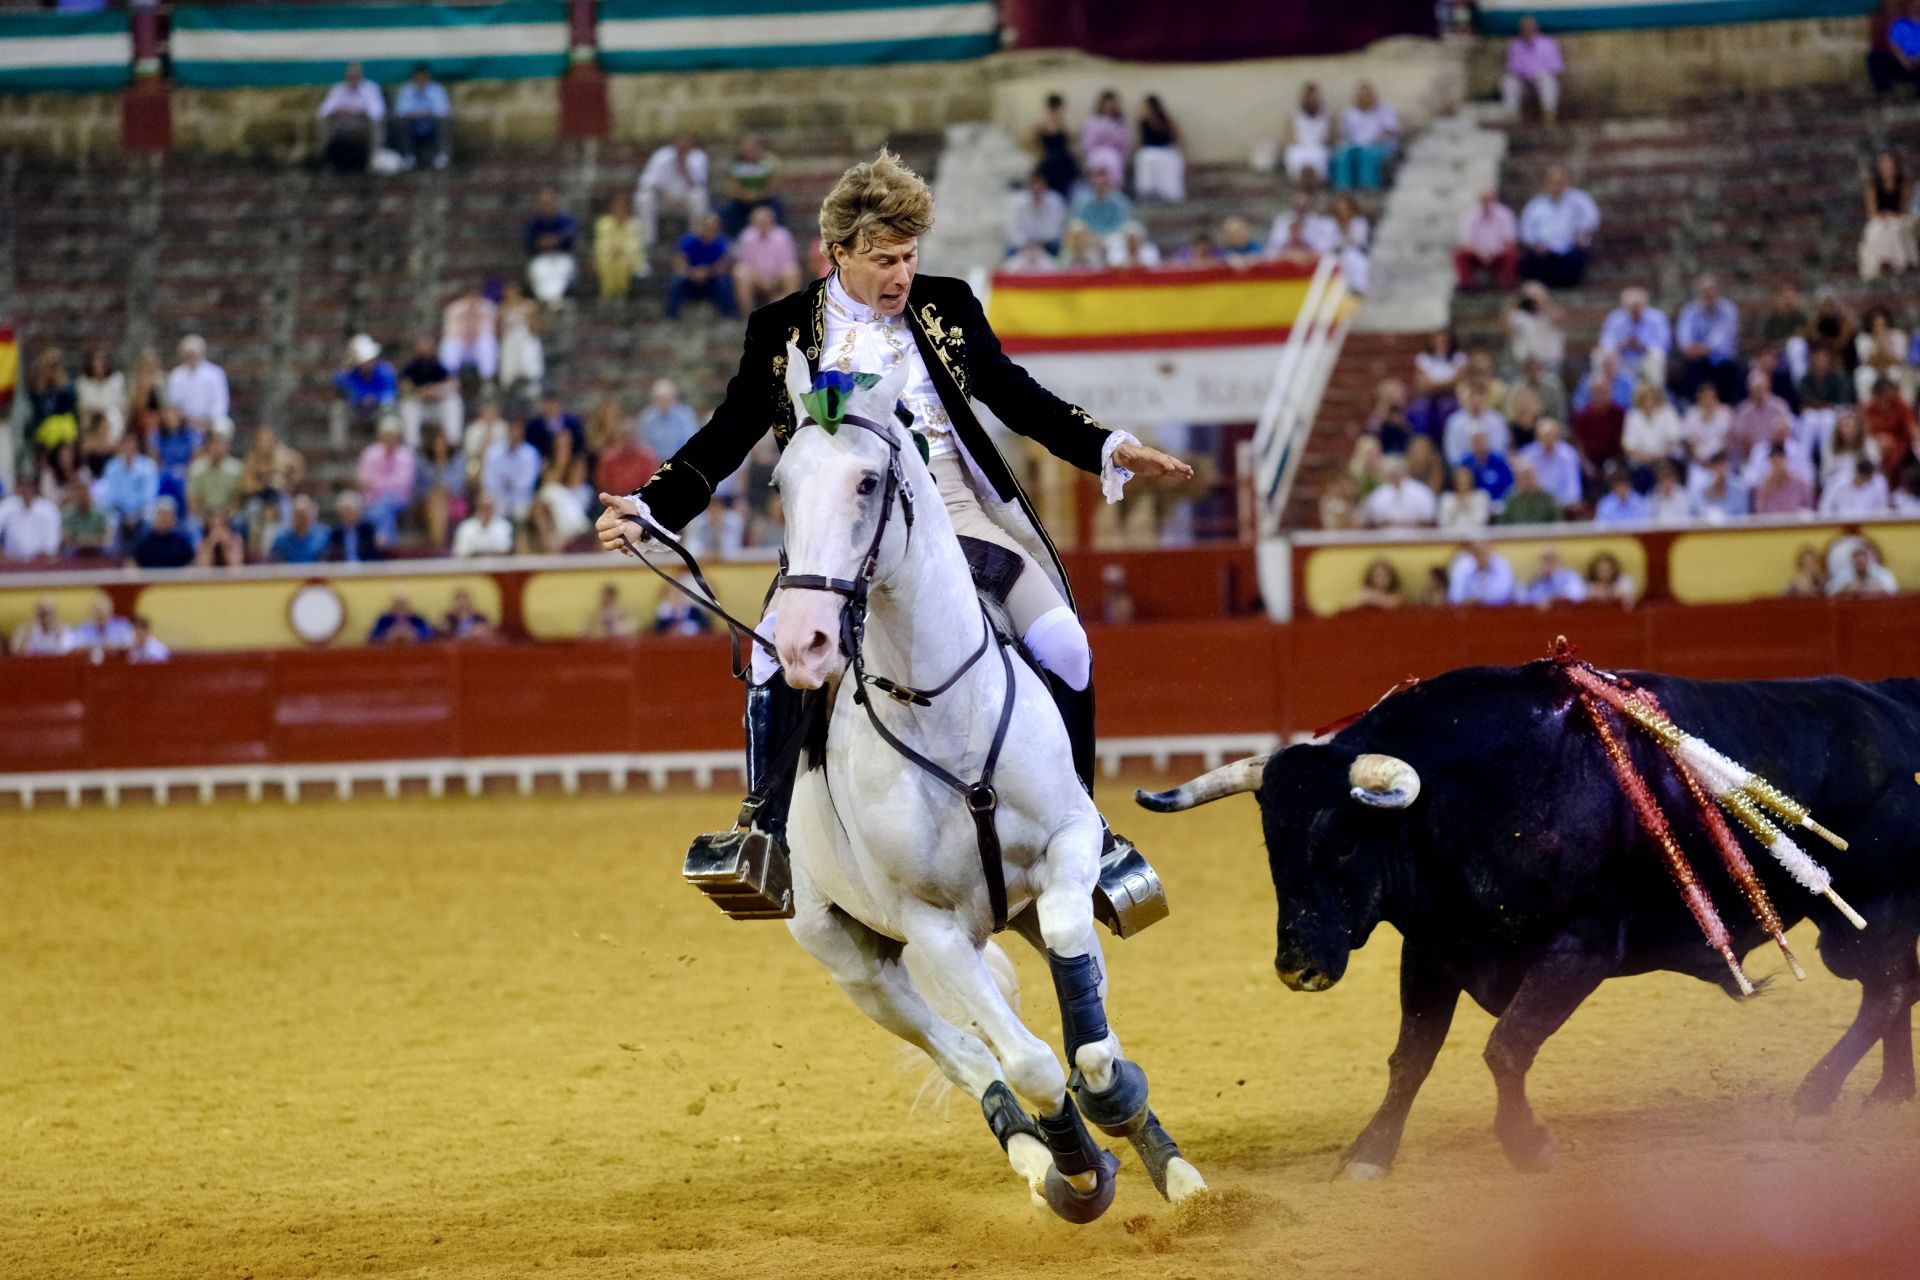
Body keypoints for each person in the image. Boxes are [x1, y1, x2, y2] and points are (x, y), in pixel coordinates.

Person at [593, 147, 1193, 879]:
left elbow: (1015, 395)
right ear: (836, 253)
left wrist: (1110, 445)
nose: (901, 275)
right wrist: (652, 507)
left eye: (908, 256)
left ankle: (1084, 829)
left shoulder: (947, 304)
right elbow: (725, 436)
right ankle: (765, 831)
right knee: (768, 653)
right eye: (882, 260)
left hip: (954, 511)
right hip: (839, 525)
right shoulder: (782, 330)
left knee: (1066, 643)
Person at [1518, 165, 1599, 288]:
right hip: (1544, 250)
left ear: (1566, 181)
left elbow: (1592, 218)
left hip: (1570, 247)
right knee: (1531, 261)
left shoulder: (1579, 200)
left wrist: (1580, 233)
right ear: (1546, 183)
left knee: (1576, 259)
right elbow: (1526, 227)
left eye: (1560, 181)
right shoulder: (1536, 204)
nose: (1556, 185)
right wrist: (1535, 243)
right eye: (1552, 181)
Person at [1673, 274, 1742, 405]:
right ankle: (1693, 408)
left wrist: (1703, 348)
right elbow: (1683, 337)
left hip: (1722, 361)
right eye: (1704, 292)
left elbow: (1721, 339)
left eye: (1711, 291)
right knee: (1690, 370)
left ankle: (1728, 408)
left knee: (1729, 370)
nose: (1708, 295)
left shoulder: (1728, 310)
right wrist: (1690, 347)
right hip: (1697, 360)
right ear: (1698, 293)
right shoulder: (1690, 310)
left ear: (1717, 292)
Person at [635, 134, 710, 250]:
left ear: (691, 146)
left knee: (699, 197)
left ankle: (694, 240)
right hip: (663, 200)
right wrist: (664, 195)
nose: (681, 149)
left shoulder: (698, 157)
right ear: (673, 145)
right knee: (643, 197)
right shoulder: (661, 156)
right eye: (679, 145)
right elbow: (647, 182)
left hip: (684, 202)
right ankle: (648, 242)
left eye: (685, 146)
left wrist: (684, 166)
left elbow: (699, 185)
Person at [316, 62, 385, 174]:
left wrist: (356, 111)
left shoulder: (370, 89)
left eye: (355, 76)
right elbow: (323, 111)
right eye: (350, 77)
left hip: (362, 124)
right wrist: (339, 111)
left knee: (376, 123)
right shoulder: (338, 89)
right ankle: (326, 161)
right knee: (322, 122)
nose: (353, 80)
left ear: (360, 76)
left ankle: (373, 160)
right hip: (342, 124)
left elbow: (377, 112)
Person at [356, 418, 417, 544]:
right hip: (371, 501)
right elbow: (363, 480)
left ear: (398, 437)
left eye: (392, 436)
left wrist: (375, 484)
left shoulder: (406, 454)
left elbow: (402, 483)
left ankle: (382, 539)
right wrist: (383, 485)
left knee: (385, 504)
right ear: (380, 436)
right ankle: (387, 543)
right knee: (381, 508)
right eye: (386, 436)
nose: (389, 439)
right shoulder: (370, 453)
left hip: (397, 499)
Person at [667, 213, 737, 320]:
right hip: (690, 278)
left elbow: (725, 263)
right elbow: (679, 261)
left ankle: (728, 317)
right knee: (677, 281)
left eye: (713, 226)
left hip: (712, 279)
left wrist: (707, 272)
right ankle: (671, 316)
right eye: (706, 226)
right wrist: (692, 272)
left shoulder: (722, 242)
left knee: (723, 281)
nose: (709, 229)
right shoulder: (688, 240)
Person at [1329, 82, 1397, 192]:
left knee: (1367, 153)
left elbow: (1390, 131)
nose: (1366, 98)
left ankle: (1368, 187)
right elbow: (1343, 132)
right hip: (1356, 145)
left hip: (1379, 145)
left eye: (1369, 95)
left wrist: (1376, 140)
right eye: (1363, 96)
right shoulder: (1351, 113)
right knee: (1342, 153)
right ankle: (1343, 188)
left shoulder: (1384, 110)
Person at [733, 204, 801, 312]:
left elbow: (788, 262)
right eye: (759, 221)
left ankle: (791, 312)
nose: (763, 224)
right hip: (756, 280)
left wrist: (774, 281)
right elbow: (745, 264)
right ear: (752, 222)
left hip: (778, 278)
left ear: (772, 221)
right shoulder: (746, 237)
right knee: (740, 272)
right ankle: (747, 315)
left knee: (792, 270)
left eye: (765, 220)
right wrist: (762, 281)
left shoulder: (783, 236)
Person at [1598, 287, 1671, 388]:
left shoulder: (1656, 318)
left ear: (1645, 305)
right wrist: (1622, 344)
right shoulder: (1615, 318)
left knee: (1656, 356)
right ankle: (1605, 393)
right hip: (1621, 358)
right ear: (1625, 306)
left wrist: (1642, 345)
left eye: (1638, 307)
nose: (1635, 311)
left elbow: (1663, 344)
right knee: (1600, 355)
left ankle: (1655, 393)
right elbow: (1606, 342)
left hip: (1645, 358)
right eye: (1632, 307)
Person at [398, 336, 462, 448]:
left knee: (454, 402)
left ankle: (453, 444)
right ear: (416, 348)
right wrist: (421, 392)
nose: (426, 349)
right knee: (407, 406)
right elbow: (404, 387)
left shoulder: (440, 365)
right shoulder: (411, 367)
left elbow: (454, 384)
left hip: (438, 405)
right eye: (422, 345)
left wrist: (437, 390)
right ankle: (413, 447)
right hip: (420, 405)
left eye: (428, 345)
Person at [1861, 150, 1916, 280]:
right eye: (1884, 164)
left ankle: (1899, 264)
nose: (1887, 167)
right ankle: (1883, 262)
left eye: (1890, 164)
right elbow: (1871, 211)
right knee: (1877, 229)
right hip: (1880, 220)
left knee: (1896, 228)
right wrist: (1883, 217)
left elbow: (1904, 208)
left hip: (1898, 218)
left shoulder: (1903, 184)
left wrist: (1893, 216)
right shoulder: (1873, 185)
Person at [1503, 15, 1564, 123]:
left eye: (1530, 28)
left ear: (1536, 29)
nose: (1527, 31)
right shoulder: (1515, 45)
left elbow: (1556, 68)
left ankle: (1549, 114)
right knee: (1509, 82)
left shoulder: (1548, 44)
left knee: (1547, 81)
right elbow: (1513, 68)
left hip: (1541, 78)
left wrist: (1537, 77)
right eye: (1524, 29)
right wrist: (1525, 79)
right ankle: (1512, 116)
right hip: (1523, 81)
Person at [1455, 190, 1520, 291]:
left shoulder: (1505, 215)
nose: (1486, 203)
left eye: (1489, 199)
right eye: (1484, 199)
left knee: (1512, 255)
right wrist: (1480, 253)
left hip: (1498, 253)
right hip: (1476, 254)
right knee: (1460, 254)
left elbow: (1510, 242)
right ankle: (1466, 285)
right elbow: (1466, 243)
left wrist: (1494, 252)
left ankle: (1504, 285)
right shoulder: (1469, 216)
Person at [391, 62, 450, 170]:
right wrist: (416, 114)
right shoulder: (406, 90)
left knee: (443, 121)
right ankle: (407, 157)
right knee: (401, 122)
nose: (421, 80)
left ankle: (442, 156)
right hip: (412, 124)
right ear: (414, 77)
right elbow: (400, 112)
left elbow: (443, 111)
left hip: (431, 123)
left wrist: (425, 113)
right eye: (419, 77)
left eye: (424, 77)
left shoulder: (437, 89)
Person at [525, 189, 579, 306]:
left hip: (562, 256)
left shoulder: (565, 219)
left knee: (563, 270)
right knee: (539, 271)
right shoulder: (534, 222)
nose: (546, 206)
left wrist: (552, 240)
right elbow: (530, 240)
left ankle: (554, 301)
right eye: (543, 204)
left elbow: (569, 236)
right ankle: (547, 302)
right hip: (541, 257)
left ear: (555, 202)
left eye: (549, 203)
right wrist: (548, 241)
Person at [720, 135, 783, 235]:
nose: (751, 152)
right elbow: (732, 187)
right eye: (747, 149)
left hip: (764, 199)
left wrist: (757, 195)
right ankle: (735, 238)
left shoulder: (769, 163)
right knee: (729, 211)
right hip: (742, 200)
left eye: (754, 148)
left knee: (777, 207)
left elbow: (774, 185)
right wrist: (747, 195)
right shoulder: (736, 165)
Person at [165, 335, 228, 434]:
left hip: (210, 421)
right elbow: (173, 403)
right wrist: (187, 419)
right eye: (188, 354)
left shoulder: (216, 374)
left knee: (222, 426)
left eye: (193, 354)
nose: (191, 357)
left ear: (201, 354)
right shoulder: (176, 376)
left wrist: (207, 421)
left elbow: (220, 404)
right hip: (185, 421)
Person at [482, 417, 542, 521]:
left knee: (523, 510)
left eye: (517, 431)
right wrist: (503, 485)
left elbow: (528, 482)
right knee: (487, 502)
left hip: (522, 498)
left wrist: (511, 482)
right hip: (497, 496)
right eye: (512, 431)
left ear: (522, 434)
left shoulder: (531, 454)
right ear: (507, 432)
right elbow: (488, 480)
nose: (514, 434)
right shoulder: (493, 453)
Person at [335, 334, 398, 430]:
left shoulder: (385, 370)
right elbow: (339, 382)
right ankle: (338, 445)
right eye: (363, 361)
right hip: (357, 408)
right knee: (338, 409)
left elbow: (390, 393)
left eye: (369, 361)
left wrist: (375, 398)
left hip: (378, 409)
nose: (366, 364)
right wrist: (346, 365)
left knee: (388, 409)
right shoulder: (352, 371)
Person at [185, 429, 244, 527]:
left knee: (239, 521)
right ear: (208, 446)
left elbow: (237, 500)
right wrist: (208, 517)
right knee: (191, 525)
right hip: (203, 514)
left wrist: (223, 516)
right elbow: (193, 501)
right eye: (216, 444)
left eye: (222, 444)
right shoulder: (196, 469)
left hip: (227, 514)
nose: (219, 448)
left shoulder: (237, 469)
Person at [439, 287, 499, 383]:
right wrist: (464, 336)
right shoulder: (454, 308)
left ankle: (487, 381)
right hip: (461, 345)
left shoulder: (488, 307)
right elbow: (448, 331)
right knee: (450, 344)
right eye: (469, 295)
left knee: (487, 343)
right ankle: (449, 378)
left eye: (475, 295)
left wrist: (475, 334)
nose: (472, 298)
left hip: (478, 346)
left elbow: (493, 329)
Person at [593, 191, 647, 298]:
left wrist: (622, 250)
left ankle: (622, 294)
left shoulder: (635, 225)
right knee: (608, 261)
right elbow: (602, 243)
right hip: (609, 256)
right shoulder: (603, 223)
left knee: (623, 262)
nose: (620, 210)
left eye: (623, 207)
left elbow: (635, 246)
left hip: (630, 258)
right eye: (617, 206)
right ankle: (608, 294)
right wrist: (612, 250)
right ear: (611, 208)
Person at [1361, 454, 1438, 528]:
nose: (1396, 476)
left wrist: (1409, 522)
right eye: (1393, 473)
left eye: (1398, 473)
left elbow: (1429, 519)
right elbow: (1371, 521)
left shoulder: (1421, 492)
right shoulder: (1378, 494)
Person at [1132, 94, 1185, 201]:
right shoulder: (1143, 123)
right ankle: (1147, 192)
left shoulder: (1166, 121)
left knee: (1172, 161)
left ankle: (1170, 194)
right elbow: (1140, 142)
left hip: (1166, 151)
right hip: (1149, 152)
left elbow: (1176, 138)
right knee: (1144, 158)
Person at [1006, 169, 1068, 257]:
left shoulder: (1055, 201)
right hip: (1023, 247)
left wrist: (1038, 246)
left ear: (1045, 184)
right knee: (1011, 252)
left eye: (1039, 183)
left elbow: (1054, 231)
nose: (1036, 187)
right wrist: (1028, 247)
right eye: (1033, 183)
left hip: (1047, 245)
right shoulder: (1016, 203)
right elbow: (1014, 231)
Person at [1266, 190, 1339, 267]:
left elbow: (1322, 247)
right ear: (1292, 205)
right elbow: (1274, 244)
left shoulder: (1316, 221)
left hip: (1310, 257)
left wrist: (1303, 239)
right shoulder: (1283, 220)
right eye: (1298, 206)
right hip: (1286, 256)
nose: (1300, 209)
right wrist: (1290, 239)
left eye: (1304, 206)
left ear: (1309, 205)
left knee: (1328, 258)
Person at [496, 283, 545, 395]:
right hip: (509, 342)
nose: (509, 293)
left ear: (518, 290)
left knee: (530, 367)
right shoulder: (501, 308)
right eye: (507, 290)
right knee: (508, 372)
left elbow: (538, 329)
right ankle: (508, 393)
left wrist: (527, 318)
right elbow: (497, 334)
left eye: (512, 290)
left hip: (526, 340)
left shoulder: (529, 306)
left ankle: (534, 392)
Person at [1028, 93, 1079, 198]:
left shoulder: (1063, 124)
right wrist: (1040, 154)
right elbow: (1031, 143)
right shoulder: (1041, 125)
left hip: (1063, 158)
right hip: (1049, 159)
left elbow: (1072, 142)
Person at [74, 346, 126, 447]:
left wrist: (103, 413)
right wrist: (97, 412)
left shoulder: (116, 380)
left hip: (111, 422)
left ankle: (111, 446)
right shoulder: (83, 383)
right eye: (96, 360)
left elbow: (119, 405)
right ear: (90, 363)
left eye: (102, 360)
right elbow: (83, 406)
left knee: (113, 414)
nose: (99, 364)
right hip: (91, 420)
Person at [0, 475, 61, 560]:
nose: (26, 492)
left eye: (29, 488)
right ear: (18, 489)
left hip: (41, 559)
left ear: (35, 490)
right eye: (23, 489)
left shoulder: (49, 509)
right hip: (12, 559)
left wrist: (48, 551)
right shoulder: (7, 506)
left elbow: (53, 536)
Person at [1079, 89, 1130, 187]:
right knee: (1097, 162)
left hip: (1114, 154)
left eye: (1112, 104)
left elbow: (1124, 144)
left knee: (1112, 160)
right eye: (1107, 103)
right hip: (1096, 152)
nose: (1109, 106)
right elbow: (1087, 142)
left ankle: (1112, 189)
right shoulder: (1092, 121)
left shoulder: (1118, 123)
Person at [1284, 82, 1332, 185]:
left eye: (1314, 97)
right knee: (1292, 155)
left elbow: (1330, 135)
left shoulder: (1325, 114)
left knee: (1321, 157)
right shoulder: (1295, 114)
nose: (1312, 99)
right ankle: (1300, 186)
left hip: (1318, 148)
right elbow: (1289, 134)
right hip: (1299, 147)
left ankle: (1315, 185)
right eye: (1309, 97)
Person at [129, 496, 194, 569]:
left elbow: (190, 563)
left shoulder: (182, 542)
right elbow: (133, 563)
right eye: (162, 515)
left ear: (174, 518)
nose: (165, 519)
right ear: (155, 516)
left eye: (168, 515)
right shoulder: (144, 541)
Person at [1751, 444, 1814, 515]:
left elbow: (1810, 509)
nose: (1776, 467)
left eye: (1778, 462)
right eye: (1773, 463)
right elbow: (1759, 513)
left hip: (1795, 523)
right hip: (1772, 524)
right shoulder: (1764, 487)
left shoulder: (1800, 484)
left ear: (1785, 460)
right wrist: (1767, 491)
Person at [1446, 541, 1516, 606]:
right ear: (1472, 553)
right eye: (1478, 552)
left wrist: (1482, 601)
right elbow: (1454, 596)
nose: (1482, 557)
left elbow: (1504, 594)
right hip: (1469, 611)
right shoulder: (1462, 565)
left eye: (1485, 553)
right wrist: (1468, 601)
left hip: (1497, 611)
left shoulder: (1501, 564)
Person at [1821, 455, 1893, 517]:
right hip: (1840, 525)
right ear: (1856, 473)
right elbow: (1825, 508)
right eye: (1862, 478)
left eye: (1866, 480)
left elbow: (1882, 510)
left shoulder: (1878, 485)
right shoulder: (1837, 482)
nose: (1862, 482)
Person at [1070, 166, 1131, 239]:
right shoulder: (1081, 202)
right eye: (1096, 178)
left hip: (1113, 241)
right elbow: (1078, 224)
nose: (1100, 182)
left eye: (1103, 182)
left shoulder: (1121, 202)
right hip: (1087, 240)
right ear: (1090, 181)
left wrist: (1105, 239)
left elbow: (1122, 227)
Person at [269, 495, 332, 564]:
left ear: (313, 514)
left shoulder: (325, 535)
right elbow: (274, 563)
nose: (302, 519)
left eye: (305, 514)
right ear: (292, 515)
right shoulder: (281, 539)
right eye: (299, 515)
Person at [524, 392, 586, 462]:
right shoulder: (533, 426)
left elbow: (580, 444)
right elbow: (530, 447)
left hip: (570, 460)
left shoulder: (573, 423)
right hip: (542, 460)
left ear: (560, 405)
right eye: (547, 404)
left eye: (553, 404)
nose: (550, 408)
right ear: (541, 406)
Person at [325, 490, 383, 563]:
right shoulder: (336, 532)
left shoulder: (368, 529)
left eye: (349, 511)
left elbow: (373, 553)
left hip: (366, 568)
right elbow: (334, 555)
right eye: (343, 512)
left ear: (358, 511)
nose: (346, 515)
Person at [1499, 459, 1562, 525]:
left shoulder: (1548, 498)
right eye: (1522, 477)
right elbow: (1503, 525)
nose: (1526, 480)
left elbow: (1557, 525)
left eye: (1528, 476)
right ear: (1516, 479)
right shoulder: (1511, 498)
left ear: (1535, 475)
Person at [1689, 452, 1749, 521]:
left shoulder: (1738, 490)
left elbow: (1743, 518)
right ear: (1711, 468)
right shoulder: (1701, 490)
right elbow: (1695, 515)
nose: (1720, 470)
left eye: (1722, 465)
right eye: (1716, 466)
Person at [452, 492, 515, 557]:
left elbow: (505, 550)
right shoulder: (465, 527)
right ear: (477, 508)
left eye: (489, 508)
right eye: (483, 508)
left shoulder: (504, 526)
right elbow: (461, 552)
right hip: (471, 566)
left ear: (494, 508)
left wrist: (479, 553)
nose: (486, 511)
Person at [1828, 542, 1900, 596]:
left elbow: (1893, 590)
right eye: (1856, 556)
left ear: (1869, 558)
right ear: (1851, 559)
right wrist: (1845, 589)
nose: (1859, 559)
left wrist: (1871, 589)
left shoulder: (1882, 573)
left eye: (1862, 556)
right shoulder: (1844, 574)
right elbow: (1830, 592)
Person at [62, 480, 112, 557]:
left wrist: (91, 541)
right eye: (78, 496)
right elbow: (66, 538)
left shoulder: (99, 512)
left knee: (110, 551)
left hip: (96, 547)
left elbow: (107, 536)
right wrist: (82, 542)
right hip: (77, 549)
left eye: (84, 494)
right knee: (67, 552)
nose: (82, 498)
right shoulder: (68, 514)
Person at [1520, 549, 1586, 606]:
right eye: (1545, 559)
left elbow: (1577, 596)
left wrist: (1554, 601)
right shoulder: (1533, 580)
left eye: (1552, 558)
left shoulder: (1570, 576)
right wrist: (1531, 583)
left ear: (1559, 560)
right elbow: (1520, 600)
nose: (1549, 563)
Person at [1438, 464, 1491, 530]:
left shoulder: (1481, 497)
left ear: (1472, 479)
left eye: (1466, 477)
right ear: (1455, 480)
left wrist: (1467, 506)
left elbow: (1482, 521)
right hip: (1452, 537)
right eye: (1460, 478)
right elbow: (1443, 522)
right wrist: (1457, 506)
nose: (1463, 481)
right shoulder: (1447, 499)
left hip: (1476, 536)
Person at [369, 592, 434, 645]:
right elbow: (373, 636)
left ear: (409, 605)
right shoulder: (384, 619)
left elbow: (429, 635)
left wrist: (415, 635)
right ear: (392, 606)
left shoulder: (417, 618)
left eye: (403, 604)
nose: (400, 607)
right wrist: (386, 636)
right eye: (397, 604)